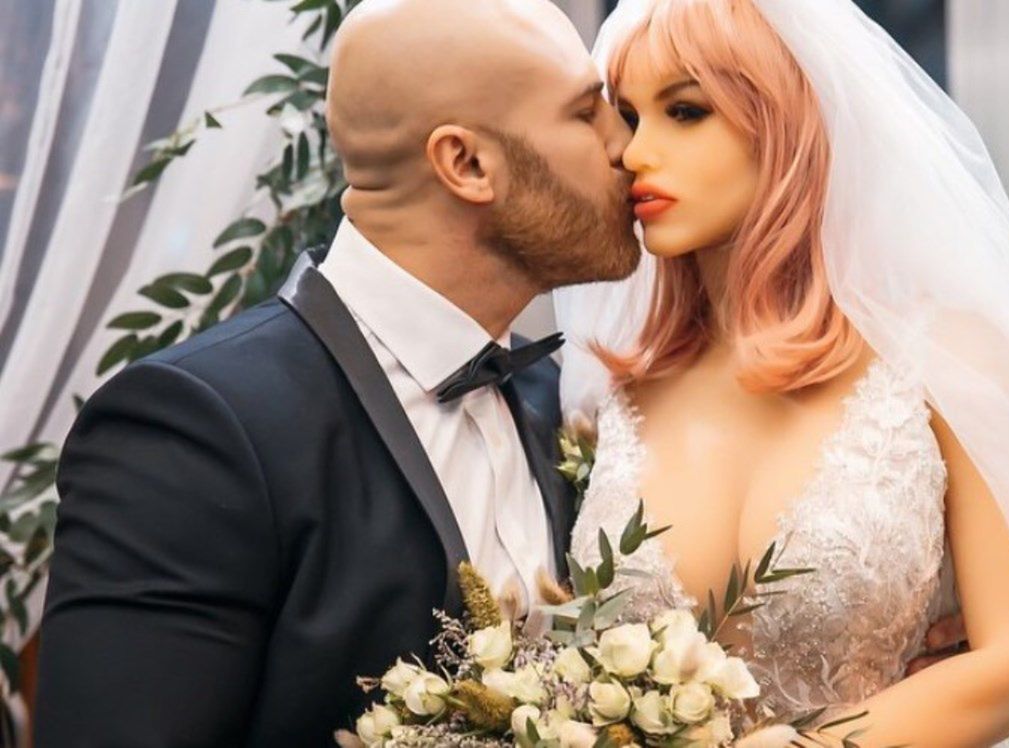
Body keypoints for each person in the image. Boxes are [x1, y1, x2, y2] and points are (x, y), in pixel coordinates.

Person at [556, 0, 1009, 745]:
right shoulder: (611, 394)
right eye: (630, 117)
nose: (635, 153)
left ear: (786, 125)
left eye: (686, 111)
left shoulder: (949, 358)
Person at [33, 0, 639, 744]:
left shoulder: (560, 403)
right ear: (467, 164)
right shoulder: (195, 431)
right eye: (587, 112)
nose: (626, 145)